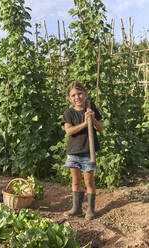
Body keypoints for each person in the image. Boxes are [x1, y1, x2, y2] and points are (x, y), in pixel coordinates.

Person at [61, 81, 104, 220]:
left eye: (80, 94)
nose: (77, 97)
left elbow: (101, 129)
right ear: (69, 98)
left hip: (88, 152)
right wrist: (85, 123)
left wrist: (93, 120)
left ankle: (90, 210)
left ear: (85, 94)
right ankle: (76, 208)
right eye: (73, 95)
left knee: (89, 182)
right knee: (75, 181)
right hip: (73, 152)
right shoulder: (69, 113)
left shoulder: (91, 109)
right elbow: (69, 131)